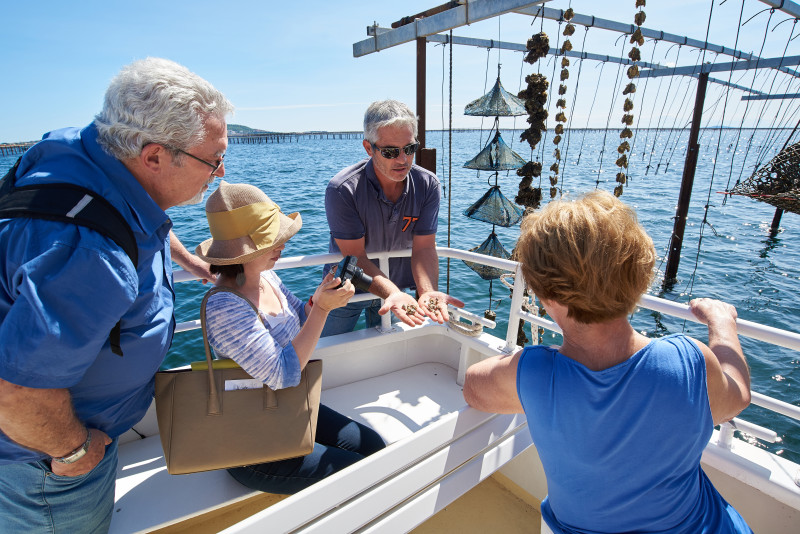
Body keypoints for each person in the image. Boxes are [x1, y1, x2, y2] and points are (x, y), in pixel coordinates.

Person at [0, 57, 233, 533]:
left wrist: (184, 258)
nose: (219, 172)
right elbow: (17, 392)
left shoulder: (81, 154)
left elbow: (118, 209)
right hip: (43, 466)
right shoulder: (90, 257)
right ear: (153, 156)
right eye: (212, 160)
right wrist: (76, 453)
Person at [463, 190, 752, 533]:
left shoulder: (532, 374)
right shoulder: (689, 362)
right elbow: (738, 395)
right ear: (640, 276)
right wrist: (722, 323)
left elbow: (473, 388)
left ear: (543, 296)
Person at [196, 181, 385, 494]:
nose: (281, 245)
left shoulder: (265, 275)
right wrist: (322, 311)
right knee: (357, 472)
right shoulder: (224, 305)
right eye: (272, 240)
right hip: (252, 442)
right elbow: (282, 374)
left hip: (288, 409)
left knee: (375, 446)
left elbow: (299, 318)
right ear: (247, 251)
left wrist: (318, 300)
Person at [321, 99, 463, 336]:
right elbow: (355, 256)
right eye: (390, 152)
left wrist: (426, 291)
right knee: (325, 354)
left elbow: (425, 247)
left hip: (399, 290)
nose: (403, 159)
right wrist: (393, 293)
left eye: (409, 149)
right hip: (344, 290)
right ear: (368, 148)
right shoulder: (342, 189)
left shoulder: (428, 185)